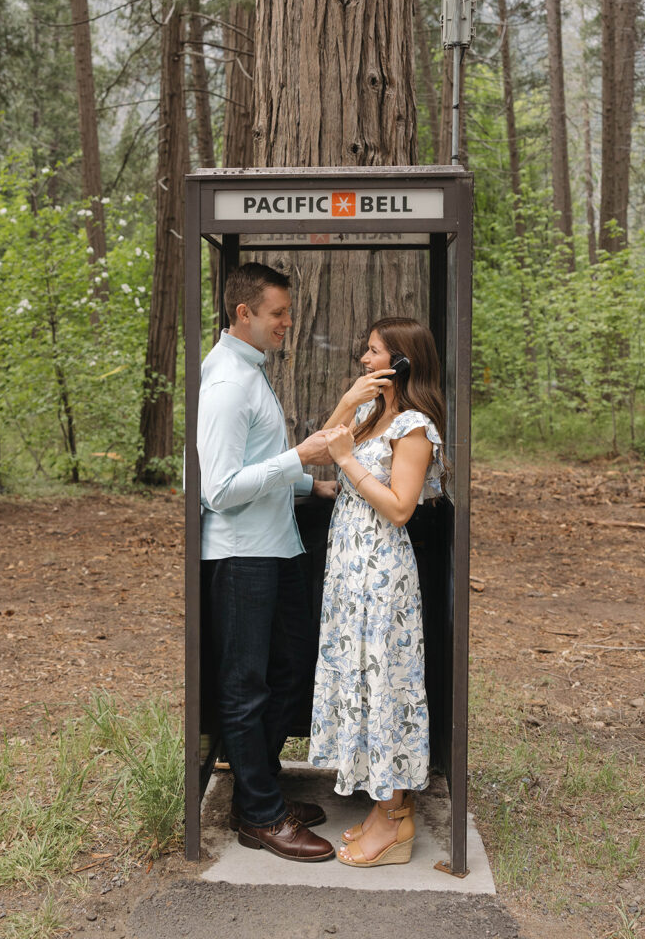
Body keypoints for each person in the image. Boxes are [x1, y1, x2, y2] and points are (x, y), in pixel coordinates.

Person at [198, 262, 337, 863]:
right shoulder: (228, 383)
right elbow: (218, 489)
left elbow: (258, 462)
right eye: (277, 313)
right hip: (242, 557)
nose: (287, 323)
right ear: (243, 314)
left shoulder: (250, 372)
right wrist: (298, 458)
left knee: (289, 669)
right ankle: (258, 813)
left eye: (286, 311)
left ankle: (262, 789)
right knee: (245, 686)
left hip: (276, 548)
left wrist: (309, 484)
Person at [309, 317, 445, 867]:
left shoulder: (413, 426)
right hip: (349, 571)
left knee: (383, 682)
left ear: (402, 361)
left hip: (381, 574)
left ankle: (395, 822)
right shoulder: (371, 415)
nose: (364, 361)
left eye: (373, 353)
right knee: (361, 681)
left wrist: (347, 461)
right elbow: (319, 449)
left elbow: (399, 507)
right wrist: (347, 404)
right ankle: (384, 808)